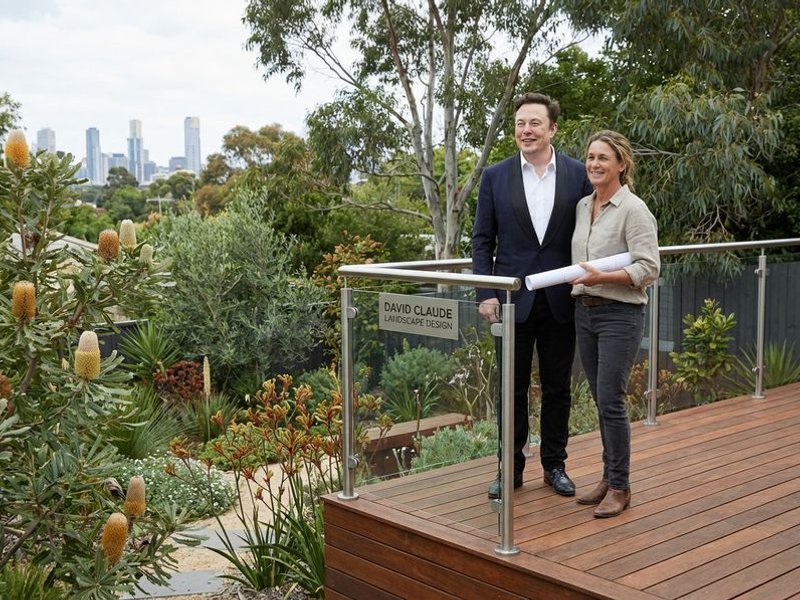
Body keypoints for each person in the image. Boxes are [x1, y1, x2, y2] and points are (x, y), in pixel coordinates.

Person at [472, 92, 592, 499]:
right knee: (512, 389)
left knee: (559, 388)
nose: (526, 130)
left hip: (562, 299)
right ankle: (510, 469)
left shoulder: (579, 174)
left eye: (535, 123)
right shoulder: (495, 176)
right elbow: (482, 240)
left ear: (552, 129)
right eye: (521, 123)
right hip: (510, 301)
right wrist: (486, 292)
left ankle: (555, 466)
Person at [570, 130, 660, 517]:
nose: (594, 164)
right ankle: (608, 477)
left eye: (603, 158)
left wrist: (602, 278)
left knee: (611, 399)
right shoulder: (581, 206)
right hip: (584, 312)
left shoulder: (634, 209)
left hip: (619, 314)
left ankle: (621, 487)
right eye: (590, 157)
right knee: (599, 398)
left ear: (621, 164)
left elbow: (649, 267)